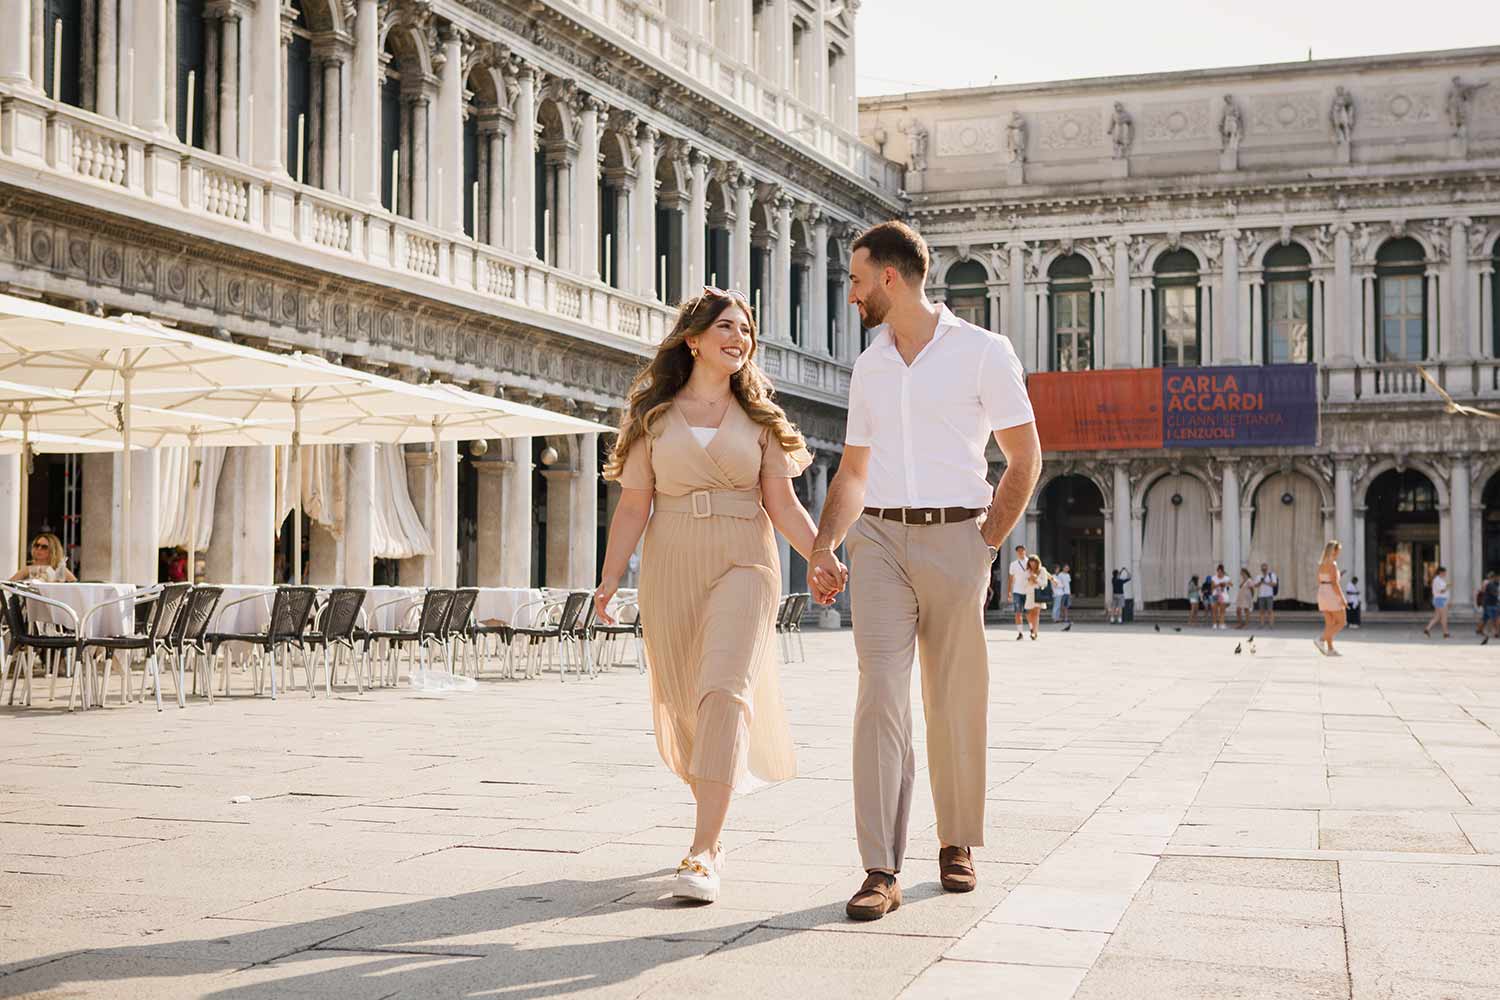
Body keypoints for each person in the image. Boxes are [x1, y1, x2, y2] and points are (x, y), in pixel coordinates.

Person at [805, 220, 1041, 922]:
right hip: (878, 539)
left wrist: (987, 541)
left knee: (953, 695)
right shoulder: (869, 364)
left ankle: (958, 841)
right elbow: (853, 471)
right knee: (879, 690)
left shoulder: (982, 352)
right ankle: (880, 867)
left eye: (853, 279)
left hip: (956, 537)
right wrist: (825, 545)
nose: (849, 295)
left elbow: (1024, 457)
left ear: (889, 278)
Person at [594, 286, 821, 905]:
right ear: (692, 340)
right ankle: (713, 815)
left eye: (746, 331)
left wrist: (822, 554)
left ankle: (703, 850)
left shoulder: (761, 422)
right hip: (672, 568)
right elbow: (634, 503)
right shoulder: (653, 418)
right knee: (687, 703)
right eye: (726, 327)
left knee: (725, 691)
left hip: (747, 560)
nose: (739, 339)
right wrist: (611, 578)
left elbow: (784, 504)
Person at [1315, 540, 1347, 656]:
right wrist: (1343, 598)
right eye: (1338, 551)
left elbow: (1320, 580)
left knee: (1329, 623)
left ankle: (1330, 649)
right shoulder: (1333, 564)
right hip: (1331, 593)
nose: (1339, 553)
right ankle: (1321, 639)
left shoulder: (1322, 563)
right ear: (1334, 550)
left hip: (1322, 592)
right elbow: (1334, 584)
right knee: (1342, 621)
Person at [10, 533, 75, 583]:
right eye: (37, 545)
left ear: (53, 550)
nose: (39, 548)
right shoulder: (28, 569)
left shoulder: (59, 569)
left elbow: (76, 585)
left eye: (44, 547)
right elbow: (8, 585)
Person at [1024, 555, 1051, 640]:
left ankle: (1035, 633)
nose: (1032, 564)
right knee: (1029, 613)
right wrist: (1029, 580)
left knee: (1036, 614)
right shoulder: (1027, 571)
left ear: (1037, 562)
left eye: (1034, 562)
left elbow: (1044, 583)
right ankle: (1031, 628)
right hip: (1029, 594)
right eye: (1030, 562)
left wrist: (1036, 579)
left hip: (1038, 594)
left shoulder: (1042, 570)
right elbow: (1023, 583)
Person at [1008, 545, 1029, 640]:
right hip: (1017, 591)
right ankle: (1020, 633)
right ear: (1016, 552)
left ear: (1025, 551)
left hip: (1028, 590)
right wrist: (1009, 591)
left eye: (1022, 550)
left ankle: (1032, 629)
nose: (1020, 552)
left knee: (1029, 613)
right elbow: (1011, 579)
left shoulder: (1030, 562)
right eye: (1019, 551)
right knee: (1018, 612)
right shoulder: (1013, 564)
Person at [1424, 566, 1450, 639]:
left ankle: (1427, 629)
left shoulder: (1440, 579)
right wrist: (1447, 586)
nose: (1445, 574)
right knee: (1443, 617)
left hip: (1440, 599)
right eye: (1444, 572)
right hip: (1440, 599)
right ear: (1441, 572)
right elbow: (1441, 591)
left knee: (1437, 617)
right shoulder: (1437, 580)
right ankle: (1445, 633)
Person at [1254, 562, 1278, 628]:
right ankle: (1261, 624)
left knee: (1270, 610)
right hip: (1261, 595)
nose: (1264, 568)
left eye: (1265, 567)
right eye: (1262, 567)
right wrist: (1260, 582)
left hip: (1269, 595)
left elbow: (1274, 584)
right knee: (1261, 610)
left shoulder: (1272, 575)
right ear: (1261, 568)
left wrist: (1266, 582)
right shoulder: (1258, 576)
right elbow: (1255, 585)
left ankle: (1271, 624)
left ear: (1267, 568)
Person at [1210, 564, 1231, 630]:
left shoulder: (1226, 578)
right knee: (1214, 610)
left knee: (1222, 610)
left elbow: (1231, 584)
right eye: (1218, 571)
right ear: (1217, 571)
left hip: (1223, 595)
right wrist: (1218, 584)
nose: (1219, 573)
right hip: (1215, 595)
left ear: (1223, 572)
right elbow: (1212, 587)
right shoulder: (1214, 577)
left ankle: (1222, 623)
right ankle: (1214, 624)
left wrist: (1225, 584)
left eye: (1221, 572)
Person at [1482, 572, 1500, 645]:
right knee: (1492, 620)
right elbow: (1493, 594)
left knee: (1493, 620)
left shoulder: (1494, 584)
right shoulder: (1490, 584)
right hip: (1492, 604)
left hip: (1493, 604)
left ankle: (1491, 634)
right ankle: (1489, 634)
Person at [1053, 563, 1072, 627]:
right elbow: (1058, 584)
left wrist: (1069, 592)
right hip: (1062, 593)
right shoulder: (1060, 575)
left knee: (1066, 606)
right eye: (1066, 568)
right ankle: (1057, 617)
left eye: (1068, 568)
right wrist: (1062, 587)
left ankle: (1065, 618)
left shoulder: (1068, 575)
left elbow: (1068, 584)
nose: (1067, 569)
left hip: (1067, 592)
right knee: (1060, 606)